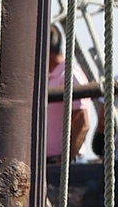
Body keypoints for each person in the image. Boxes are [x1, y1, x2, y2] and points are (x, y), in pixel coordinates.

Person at [47, 24, 94, 161]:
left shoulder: (70, 75)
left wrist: (64, 160)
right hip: (48, 160)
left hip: (65, 162)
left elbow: (82, 123)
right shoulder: (49, 76)